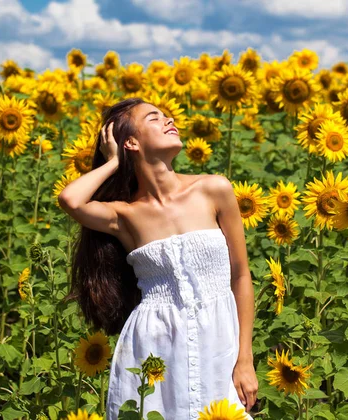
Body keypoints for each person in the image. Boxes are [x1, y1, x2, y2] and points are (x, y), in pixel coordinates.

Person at [58, 97, 258, 420]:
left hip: (219, 342)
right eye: (154, 117)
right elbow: (70, 199)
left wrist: (245, 359)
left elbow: (241, 275)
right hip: (155, 348)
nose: (169, 120)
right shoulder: (126, 215)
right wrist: (112, 162)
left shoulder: (214, 190)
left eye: (167, 116)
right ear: (131, 143)